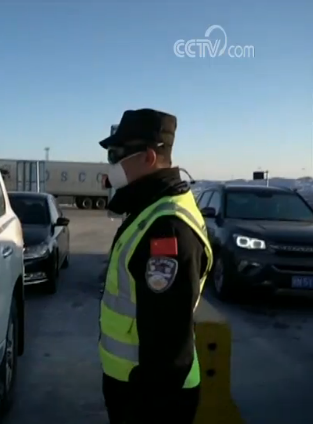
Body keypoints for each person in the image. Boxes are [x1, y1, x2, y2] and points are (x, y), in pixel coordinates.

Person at [97, 109, 214, 424]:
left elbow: (168, 336)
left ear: (149, 157)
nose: (111, 164)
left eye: (116, 155)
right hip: (136, 385)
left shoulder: (167, 227)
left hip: (152, 397)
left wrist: (153, 405)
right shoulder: (150, 208)